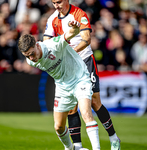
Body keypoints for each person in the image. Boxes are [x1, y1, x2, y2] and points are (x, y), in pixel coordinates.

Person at [43, 0, 121, 150]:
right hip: (68, 66)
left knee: (94, 101)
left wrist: (69, 54)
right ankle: (78, 147)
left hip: (85, 60)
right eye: (53, 3)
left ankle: (114, 138)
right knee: (72, 108)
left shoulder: (79, 14)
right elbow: (47, 42)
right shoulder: (52, 19)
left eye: (58, 2)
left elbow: (86, 39)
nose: (56, 5)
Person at [18, 20, 100, 150]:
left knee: (86, 113)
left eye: (32, 54)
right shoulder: (30, 61)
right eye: (27, 56)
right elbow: (31, 59)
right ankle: (70, 148)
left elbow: (70, 34)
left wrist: (75, 28)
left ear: (37, 45)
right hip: (62, 86)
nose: (31, 58)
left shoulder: (53, 45)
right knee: (58, 127)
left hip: (80, 78)